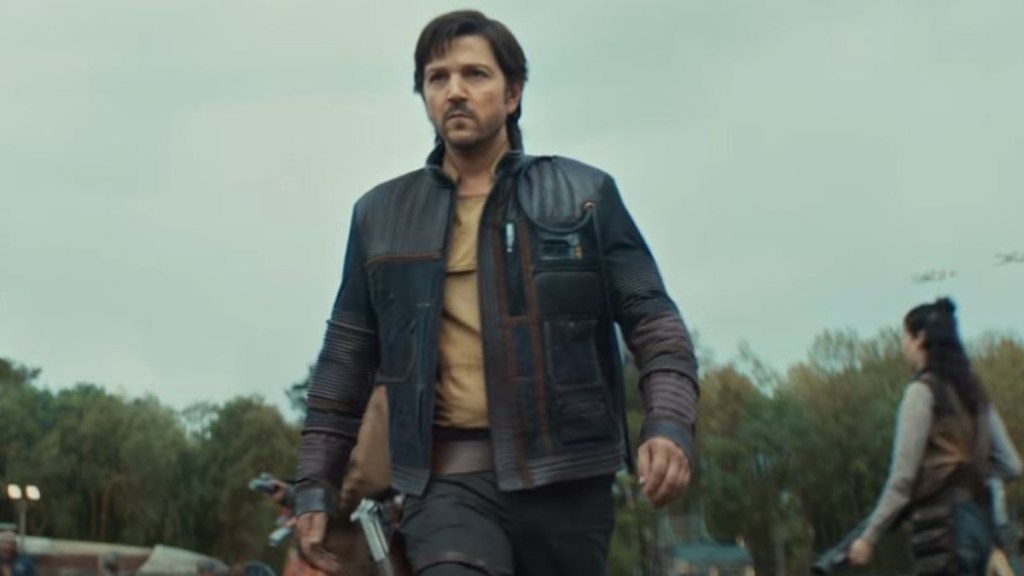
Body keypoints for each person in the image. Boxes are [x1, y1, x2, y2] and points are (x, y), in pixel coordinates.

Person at [291, 9, 700, 576]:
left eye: (475, 74)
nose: (455, 91)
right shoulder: (380, 217)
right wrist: (315, 486)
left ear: (513, 93)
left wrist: (669, 425)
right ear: (424, 95)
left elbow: (655, 326)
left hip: (570, 483)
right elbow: (345, 360)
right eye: (438, 78)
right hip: (446, 484)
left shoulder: (585, 196)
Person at [848, 298, 1022, 575]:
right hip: (981, 532)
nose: (904, 347)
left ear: (920, 339)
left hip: (943, 535)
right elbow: (1011, 465)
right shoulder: (974, 394)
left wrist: (868, 537)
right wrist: (972, 477)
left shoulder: (921, 393)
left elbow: (902, 480)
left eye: (905, 338)